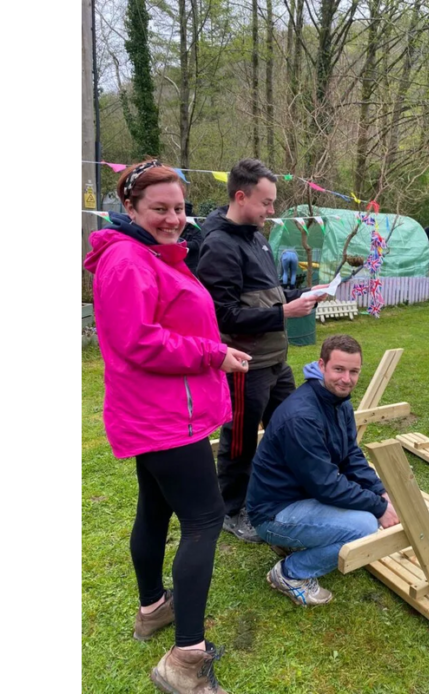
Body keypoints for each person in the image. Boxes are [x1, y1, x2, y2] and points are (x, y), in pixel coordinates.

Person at [84, 160, 248, 694]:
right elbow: (140, 341)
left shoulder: (150, 255)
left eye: (179, 208)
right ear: (129, 208)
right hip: (165, 416)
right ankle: (186, 659)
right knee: (204, 520)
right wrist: (213, 353)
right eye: (160, 209)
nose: (174, 218)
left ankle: (153, 608)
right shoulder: (128, 261)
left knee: (153, 509)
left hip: (162, 411)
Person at [196, 158, 324, 544]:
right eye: (266, 203)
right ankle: (231, 510)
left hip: (275, 361)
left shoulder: (257, 236)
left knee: (292, 424)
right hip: (243, 365)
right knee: (239, 440)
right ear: (240, 196)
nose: (272, 211)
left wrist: (300, 295)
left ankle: (275, 489)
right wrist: (283, 312)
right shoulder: (218, 245)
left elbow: (266, 295)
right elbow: (223, 316)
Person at [246, 335, 400, 606]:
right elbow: (326, 485)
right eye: (339, 369)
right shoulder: (302, 417)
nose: (346, 379)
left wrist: (379, 492)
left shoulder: (338, 401)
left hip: (302, 496)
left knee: (369, 507)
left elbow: (350, 454)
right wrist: (378, 508)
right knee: (365, 526)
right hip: (273, 512)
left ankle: (299, 539)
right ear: (321, 366)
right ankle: (291, 573)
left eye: (354, 371)